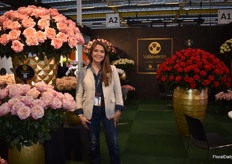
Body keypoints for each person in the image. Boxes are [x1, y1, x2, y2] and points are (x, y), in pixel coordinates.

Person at [75, 40, 125, 164]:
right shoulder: (83, 71)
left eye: (102, 51)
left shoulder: (112, 70)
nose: (99, 54)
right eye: (96, 51)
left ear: (105, 54)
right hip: (91, 112)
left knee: (113, 145)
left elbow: (118, 91)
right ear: (91, 53)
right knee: (93, 145)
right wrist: (80, 114)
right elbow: (79, 94)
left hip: (109, 111)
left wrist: (119, 111)